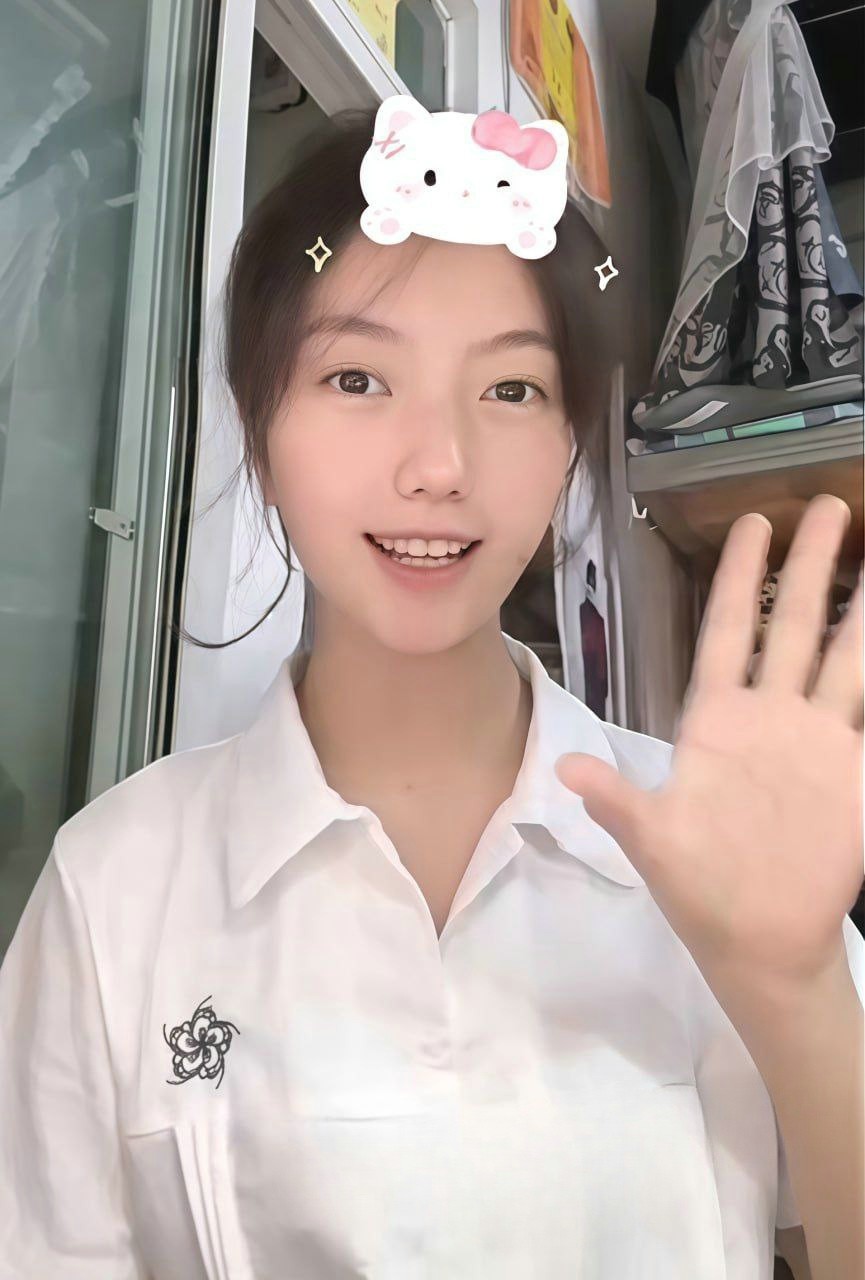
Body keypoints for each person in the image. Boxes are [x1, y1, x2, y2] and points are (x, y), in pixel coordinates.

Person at [0, 103, 862, 1280]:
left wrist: (800, 989)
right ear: (260, 429)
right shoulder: (113, 888)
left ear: (567, 446)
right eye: (357, 377)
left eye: (510, 390)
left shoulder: (710, 844)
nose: (439, 465)